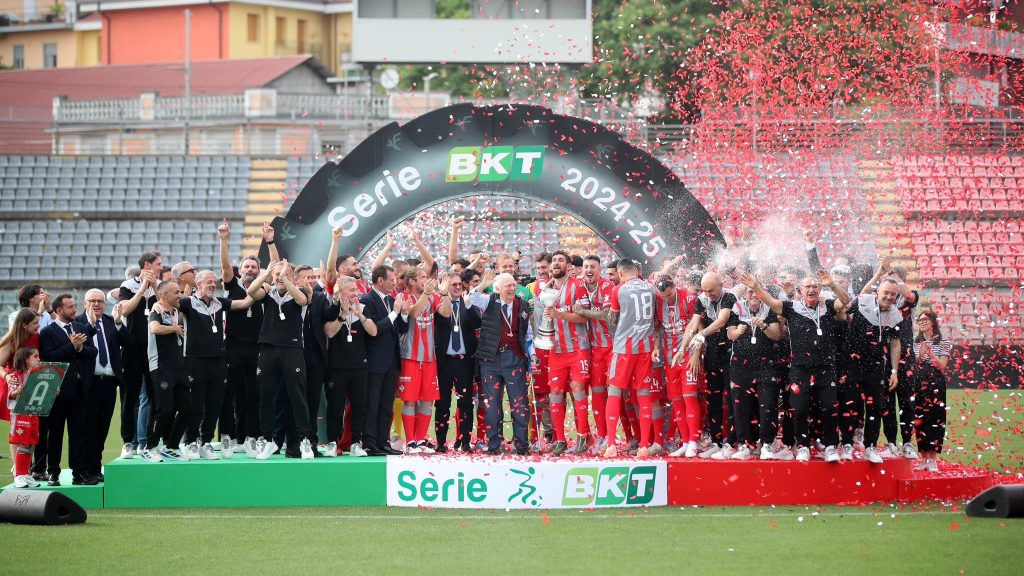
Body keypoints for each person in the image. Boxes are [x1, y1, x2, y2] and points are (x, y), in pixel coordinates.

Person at [740, 270, 850, 462]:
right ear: (800, 290)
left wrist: (832, 284)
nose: (812, 289)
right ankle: (802, 446)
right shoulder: (792, 308)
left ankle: (831, 446)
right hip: (800, 368)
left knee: (829, 408)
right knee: (799, 410)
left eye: (815, 286)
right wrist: (756, 287)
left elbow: (845, 301)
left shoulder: (828, 306)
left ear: (820, 290)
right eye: (807, 286)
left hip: (826, 368)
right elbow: (772, 303)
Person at [162, 270, 252, 460]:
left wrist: (263, 281)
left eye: (214, 282)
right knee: (196, 405)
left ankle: (206, 442)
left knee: (215, 404)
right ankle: (191, 442)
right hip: (195, 361)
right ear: (199, 284)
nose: (213, 285)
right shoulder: (188, 302)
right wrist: (156, 304)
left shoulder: (220, 303)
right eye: (209, 282)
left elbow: (245, 303)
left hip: (219, 361)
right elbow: (167, 302)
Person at [247, 260, 315, 460]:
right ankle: (268, 441)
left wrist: (285, 277)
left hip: (292, 349)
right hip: (268, 349)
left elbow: (302, 301)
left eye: (283, 273)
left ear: (292, 277)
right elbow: (251, 291)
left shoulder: (299, 292)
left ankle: (304, 441)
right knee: (266, 396)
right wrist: (267, 273)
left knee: (297, 396)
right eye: (276, 274)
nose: (278, 277)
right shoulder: (268, 293)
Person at [220, 221, 276, 457]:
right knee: (229, 392)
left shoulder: (264, 287)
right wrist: (224, 240)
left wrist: (270, 241)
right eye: (247, 266)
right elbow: (224, 266)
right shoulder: (231, 285)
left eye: (254, 267)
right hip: (232, 345)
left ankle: (251, 436)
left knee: (254, 393)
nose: (250, 269)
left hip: (256, 347)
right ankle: (228, 437)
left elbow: (275, 265)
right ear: (240, 270)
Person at [38, 294, 99, 484]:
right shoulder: (47, 332)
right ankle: (53, 473)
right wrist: (72, 346)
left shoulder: (80, 327)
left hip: (81, 390)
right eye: (70, 307)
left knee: (78, 434)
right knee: (55, 434)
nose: (74, 310)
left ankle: (78, 474)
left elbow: (93, 352)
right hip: (59, 391)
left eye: (74, 306)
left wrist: (80, 349)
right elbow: (49, 356)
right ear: (58, 311)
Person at [603, 259, 660, 458]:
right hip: (645, 348)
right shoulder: (651, 289)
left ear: (620, 273)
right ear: (636, 270)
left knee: (614, 392)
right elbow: (656, 319)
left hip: (624, 349)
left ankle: (611, 444)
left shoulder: (618, 289)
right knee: (644, 395)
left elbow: (613, 318)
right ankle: (644, 445)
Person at [538, 250, 592, 455]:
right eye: (554, 261)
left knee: (578, 391)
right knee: (555, 394)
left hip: (578, 348)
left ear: (569, 266)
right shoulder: (548, 289)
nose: (557, 263)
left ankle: (582, 437)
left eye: (561, 260)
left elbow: (584, 317)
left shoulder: (578, 286)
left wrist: (560, 314)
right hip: (556, 350)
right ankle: (560, 440)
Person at [396, 267, 451, 454]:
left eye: (427, 277)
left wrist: (444, 293)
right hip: (410, 356)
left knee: (428, 401)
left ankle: (420, 440)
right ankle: (410, 442)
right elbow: (414, 313)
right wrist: (427, 293)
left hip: (429, 357)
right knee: (410, 400)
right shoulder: (404, 297)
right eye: (422, 277)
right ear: (411, 281)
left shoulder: (433, 295)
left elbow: (446, 312)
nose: (426, 280)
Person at [476, 273, 531, 455]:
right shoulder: (489, 301)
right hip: (490, 360)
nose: (511, 289)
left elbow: (528, 334)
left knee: (519, 403)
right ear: (498, 288)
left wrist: (532, 354)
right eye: (507, 285)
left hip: (514, 359)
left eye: (513, 285)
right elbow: (471, 299)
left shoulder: (522, 305)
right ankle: (493, 444)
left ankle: (522, 444)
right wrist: (484, 283)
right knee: (491, 405)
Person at [76, 290, 129, 477]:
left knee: (103, 428)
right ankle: (85, 470)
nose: (97, 304)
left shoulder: (109, 321)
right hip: (89, 383)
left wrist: (118, 322)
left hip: (109, 383)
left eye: (100, 301)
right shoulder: (77, 322)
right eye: (92, 301)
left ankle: (96, 468)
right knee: (87, 428)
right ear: (85, 303)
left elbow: (126, 341)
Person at [725, 290, 783, 460]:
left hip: (766, 365)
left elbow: (776, 335)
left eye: (757, 292)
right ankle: (744, 444)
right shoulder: (736, 308)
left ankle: (766, 444)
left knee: (767, 405)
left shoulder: (770, 308)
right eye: (750, 292)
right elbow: (730, 335)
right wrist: (739, 331)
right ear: (745, 294)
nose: (753, 295)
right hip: (740, 366)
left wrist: (763, 326)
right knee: (740, 407)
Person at [324, 276, 378, 457]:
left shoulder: (362, 308)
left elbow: (373, 331)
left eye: (356, 290)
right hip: (337, 366)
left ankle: (356, 442)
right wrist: (343, 316)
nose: (356, 293)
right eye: (352, 290)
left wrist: (360, 315)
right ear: (342, 290)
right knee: (335, 407)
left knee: (359, 406)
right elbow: (330, 333)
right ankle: (332, 442)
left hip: (359, 367)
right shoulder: (332, 308)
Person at [685, 272, 736, 458]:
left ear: (721, 285)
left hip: (731, 352)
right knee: (712, 399)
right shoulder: (701, 298)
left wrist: (701, 335)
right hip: (712, 353)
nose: (708, 294)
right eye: (705, 291)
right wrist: (683, 346)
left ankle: (731, 442)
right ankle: (716, 441)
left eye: (711, 291)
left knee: (731, 399)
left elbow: (722, 321)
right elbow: (694, 321)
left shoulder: (729, 296)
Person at [360, 265, 408, 456]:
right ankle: (370, 442)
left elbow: (400, 329)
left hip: (391, 361)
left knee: (386, 404)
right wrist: (395, 313)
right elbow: (375, 330)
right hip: (374, 361)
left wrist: (403, 313)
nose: (394, 283)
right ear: (380, 281)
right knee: (372, 403)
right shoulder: (367, 300)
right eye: (391, 280)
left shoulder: (391, 300)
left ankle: (383, 441)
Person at [118, 251, 161, 457]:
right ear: (147, 265)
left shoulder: (160, 286)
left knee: (156, 395)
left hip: (155, 347)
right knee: (130, 395)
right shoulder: (128, 285)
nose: (161, 267)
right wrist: (143, 287)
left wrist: (154, 287)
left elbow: (168, 309)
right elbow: (125, 310)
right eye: (158, 264)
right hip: (133, 346)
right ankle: (128, 441)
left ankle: (151, 442)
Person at [571, 255, 616, 451]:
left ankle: (627, 437)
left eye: (593, 267)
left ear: (599, 270)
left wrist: (584, 312)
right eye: (586, 267)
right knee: (597, 392)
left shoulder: (607, 286)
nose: (589, 270)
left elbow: (607, 316)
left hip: (614, 347)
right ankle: (602, 436)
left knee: (616, 393)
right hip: (594, 349)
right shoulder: (580, 286)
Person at [433, 271, 481, 452]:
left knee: (466, 402)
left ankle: (465, 441)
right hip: (444, 361)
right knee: (443, 402)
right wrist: (443, 294)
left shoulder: (467, 302)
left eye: (459, 284)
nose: (457, 287)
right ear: (445, 286)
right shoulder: (439, 302)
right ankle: (441, 442)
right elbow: (439, 318)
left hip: (464, 362)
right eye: (453, 284)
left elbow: (478, 322)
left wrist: (469, 305)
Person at [141, 281, 188, 462]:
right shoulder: (156, 311)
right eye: (176, 292)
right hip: (161, 368)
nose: (180, 295)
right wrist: (174, 328)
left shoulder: (175, 311)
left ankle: (172, 447)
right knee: (164, 410)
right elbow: (154, 328)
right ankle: (149, 447)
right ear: (164, 295)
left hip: (178, 368)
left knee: (188, 409)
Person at [913, 310, 951, 473]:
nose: (921, 322)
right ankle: (923, 457)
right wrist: (919, 357)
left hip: (936, 383)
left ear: (933, 322)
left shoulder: (944, 343)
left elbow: (942, 366)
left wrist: (929, 353)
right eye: (919, 320)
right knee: (919, 419)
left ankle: (933, 458)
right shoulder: (915, 343)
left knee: (936, 418)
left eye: (925, 319)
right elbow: (913, 366)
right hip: (919, 383)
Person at [7, 347, 42, 488]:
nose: (39, 359)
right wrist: (17, 392)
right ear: (26, 360)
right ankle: (19, 475)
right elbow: (10, 395)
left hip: (33, 413)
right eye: (36, 356)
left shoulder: (38, 375)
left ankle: (26, 474)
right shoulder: (15, 376)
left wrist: (53, 392)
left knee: (30, 444)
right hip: (20, 414)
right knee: (22, 443)